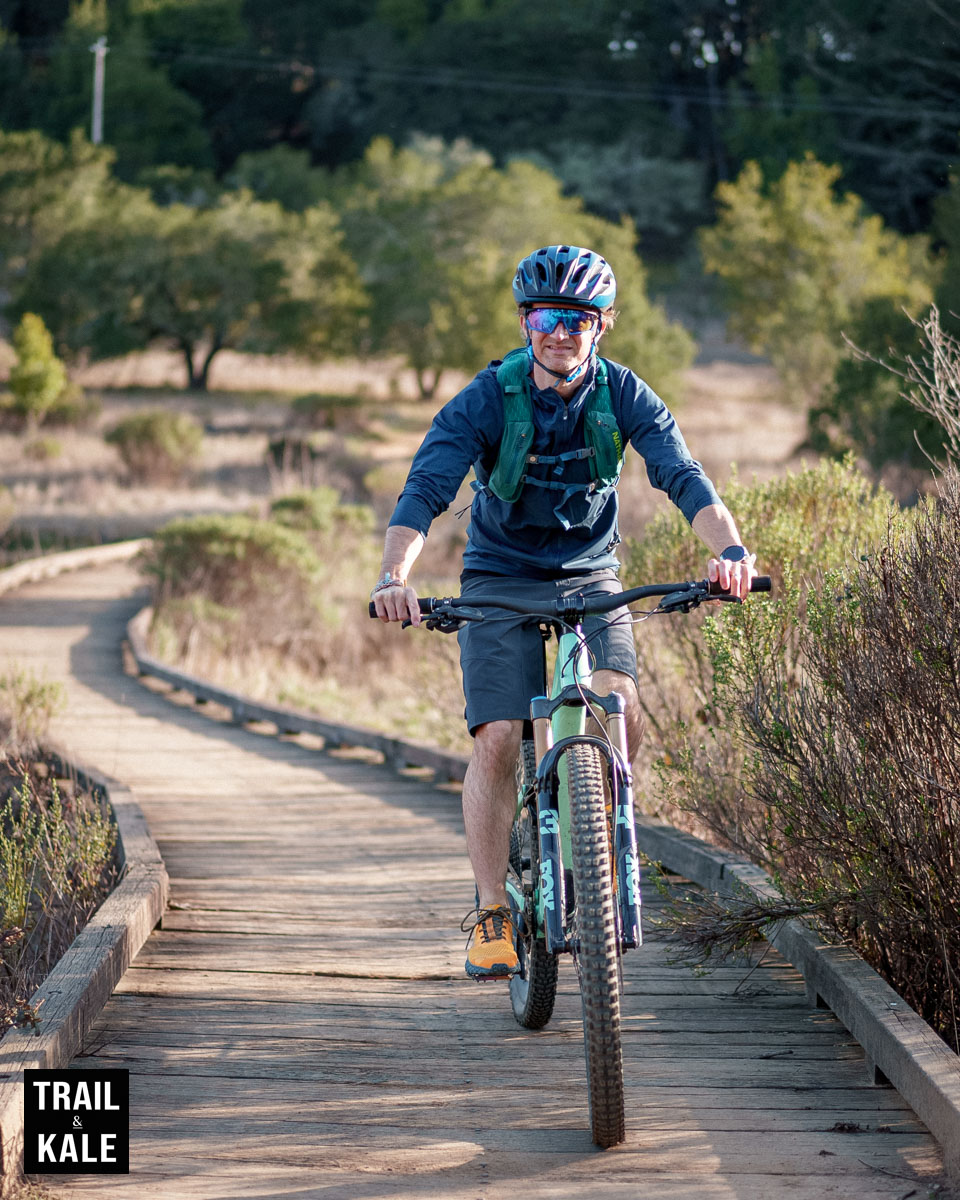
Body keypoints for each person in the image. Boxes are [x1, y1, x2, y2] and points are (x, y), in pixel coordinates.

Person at [372, 244, 758, 981]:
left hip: (590, 577)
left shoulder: (625, 393)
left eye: (578, 318)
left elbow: (681, 474)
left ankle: (594, 828)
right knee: (496, 738)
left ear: (602, 325)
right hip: (499, 577)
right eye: (548, 316)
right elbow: (426, 487)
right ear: (525, 321)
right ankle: (492, 908)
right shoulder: (489, 397)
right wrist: (395, 574)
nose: (562, 332)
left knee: (619, 702)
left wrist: (731, 553)